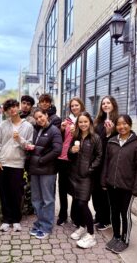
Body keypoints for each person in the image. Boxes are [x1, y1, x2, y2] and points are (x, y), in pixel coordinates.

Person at [101, 114, 137, 254]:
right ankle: (116, 236)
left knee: (124, 214)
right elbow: (106, 164)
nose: (122, 126)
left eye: (125, 123)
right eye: (119, 124)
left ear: (130, 125)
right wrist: (104, 180)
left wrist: (136, 188)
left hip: (128, 187)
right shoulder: (112, 142)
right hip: (112, 185)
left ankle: (125, 240)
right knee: (114, 212)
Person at [0, 99, 34, 232]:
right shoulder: (1, 125)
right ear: (6, 112)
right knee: (4, 192)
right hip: (3, 163)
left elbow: (29, 145)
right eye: (9, 108)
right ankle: (6, 220)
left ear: (18, 108)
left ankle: (16, 219)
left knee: (16, 193)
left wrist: (19, 139)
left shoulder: (27, 126)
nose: (12, 109)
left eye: (14, 106)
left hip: (18, 163)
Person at [67, 112, 102, 249]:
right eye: (80, 122)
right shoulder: (75, 136)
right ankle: (82, 226)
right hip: (74, 175)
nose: (83, 124)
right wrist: (72, 151)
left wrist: (89, 170)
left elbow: (99, 156)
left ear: (90, 122)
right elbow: (69, 156)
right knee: (76, 202)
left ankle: (91, 235)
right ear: (77, 124)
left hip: (86, 177)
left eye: (85, 121)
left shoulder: (95, 138)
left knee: (82, 203)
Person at [28, 108, 62, 239]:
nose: (39, 119)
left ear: (46, 115)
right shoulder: (36, 129)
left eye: (41, 116)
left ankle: (46, 227)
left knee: (47, 200)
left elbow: (57, 150)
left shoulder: (54, 131)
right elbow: (36, 147)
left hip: (47, 170)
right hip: (35, 169)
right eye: (36, 118)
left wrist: (42, 160)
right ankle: (39, 223)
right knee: (36, 199)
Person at [57, 97, 85, 227]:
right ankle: (63, 215)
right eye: (72, 106)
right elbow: (62, 139)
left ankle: (75, 216)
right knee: (62, 188)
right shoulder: (67, 121)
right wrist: (62, 129)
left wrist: (77, 133)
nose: (74, 108)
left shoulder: (84, 120)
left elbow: (87, 138)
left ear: (81, 106)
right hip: (63, 158)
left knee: (74, 189)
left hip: (75, 159)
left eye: (76, 105)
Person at [93, 95, 119, 230]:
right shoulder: (98, 121)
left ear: (113, 105)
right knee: (96, 191)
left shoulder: (117, 122)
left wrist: (109, 133)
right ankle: (98, 215)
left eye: (108, 103)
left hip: (107, 162)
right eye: (103, 103)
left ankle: (106, 219)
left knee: (105, 193)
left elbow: (114, 144)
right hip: (97, 160)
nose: (105, 105)